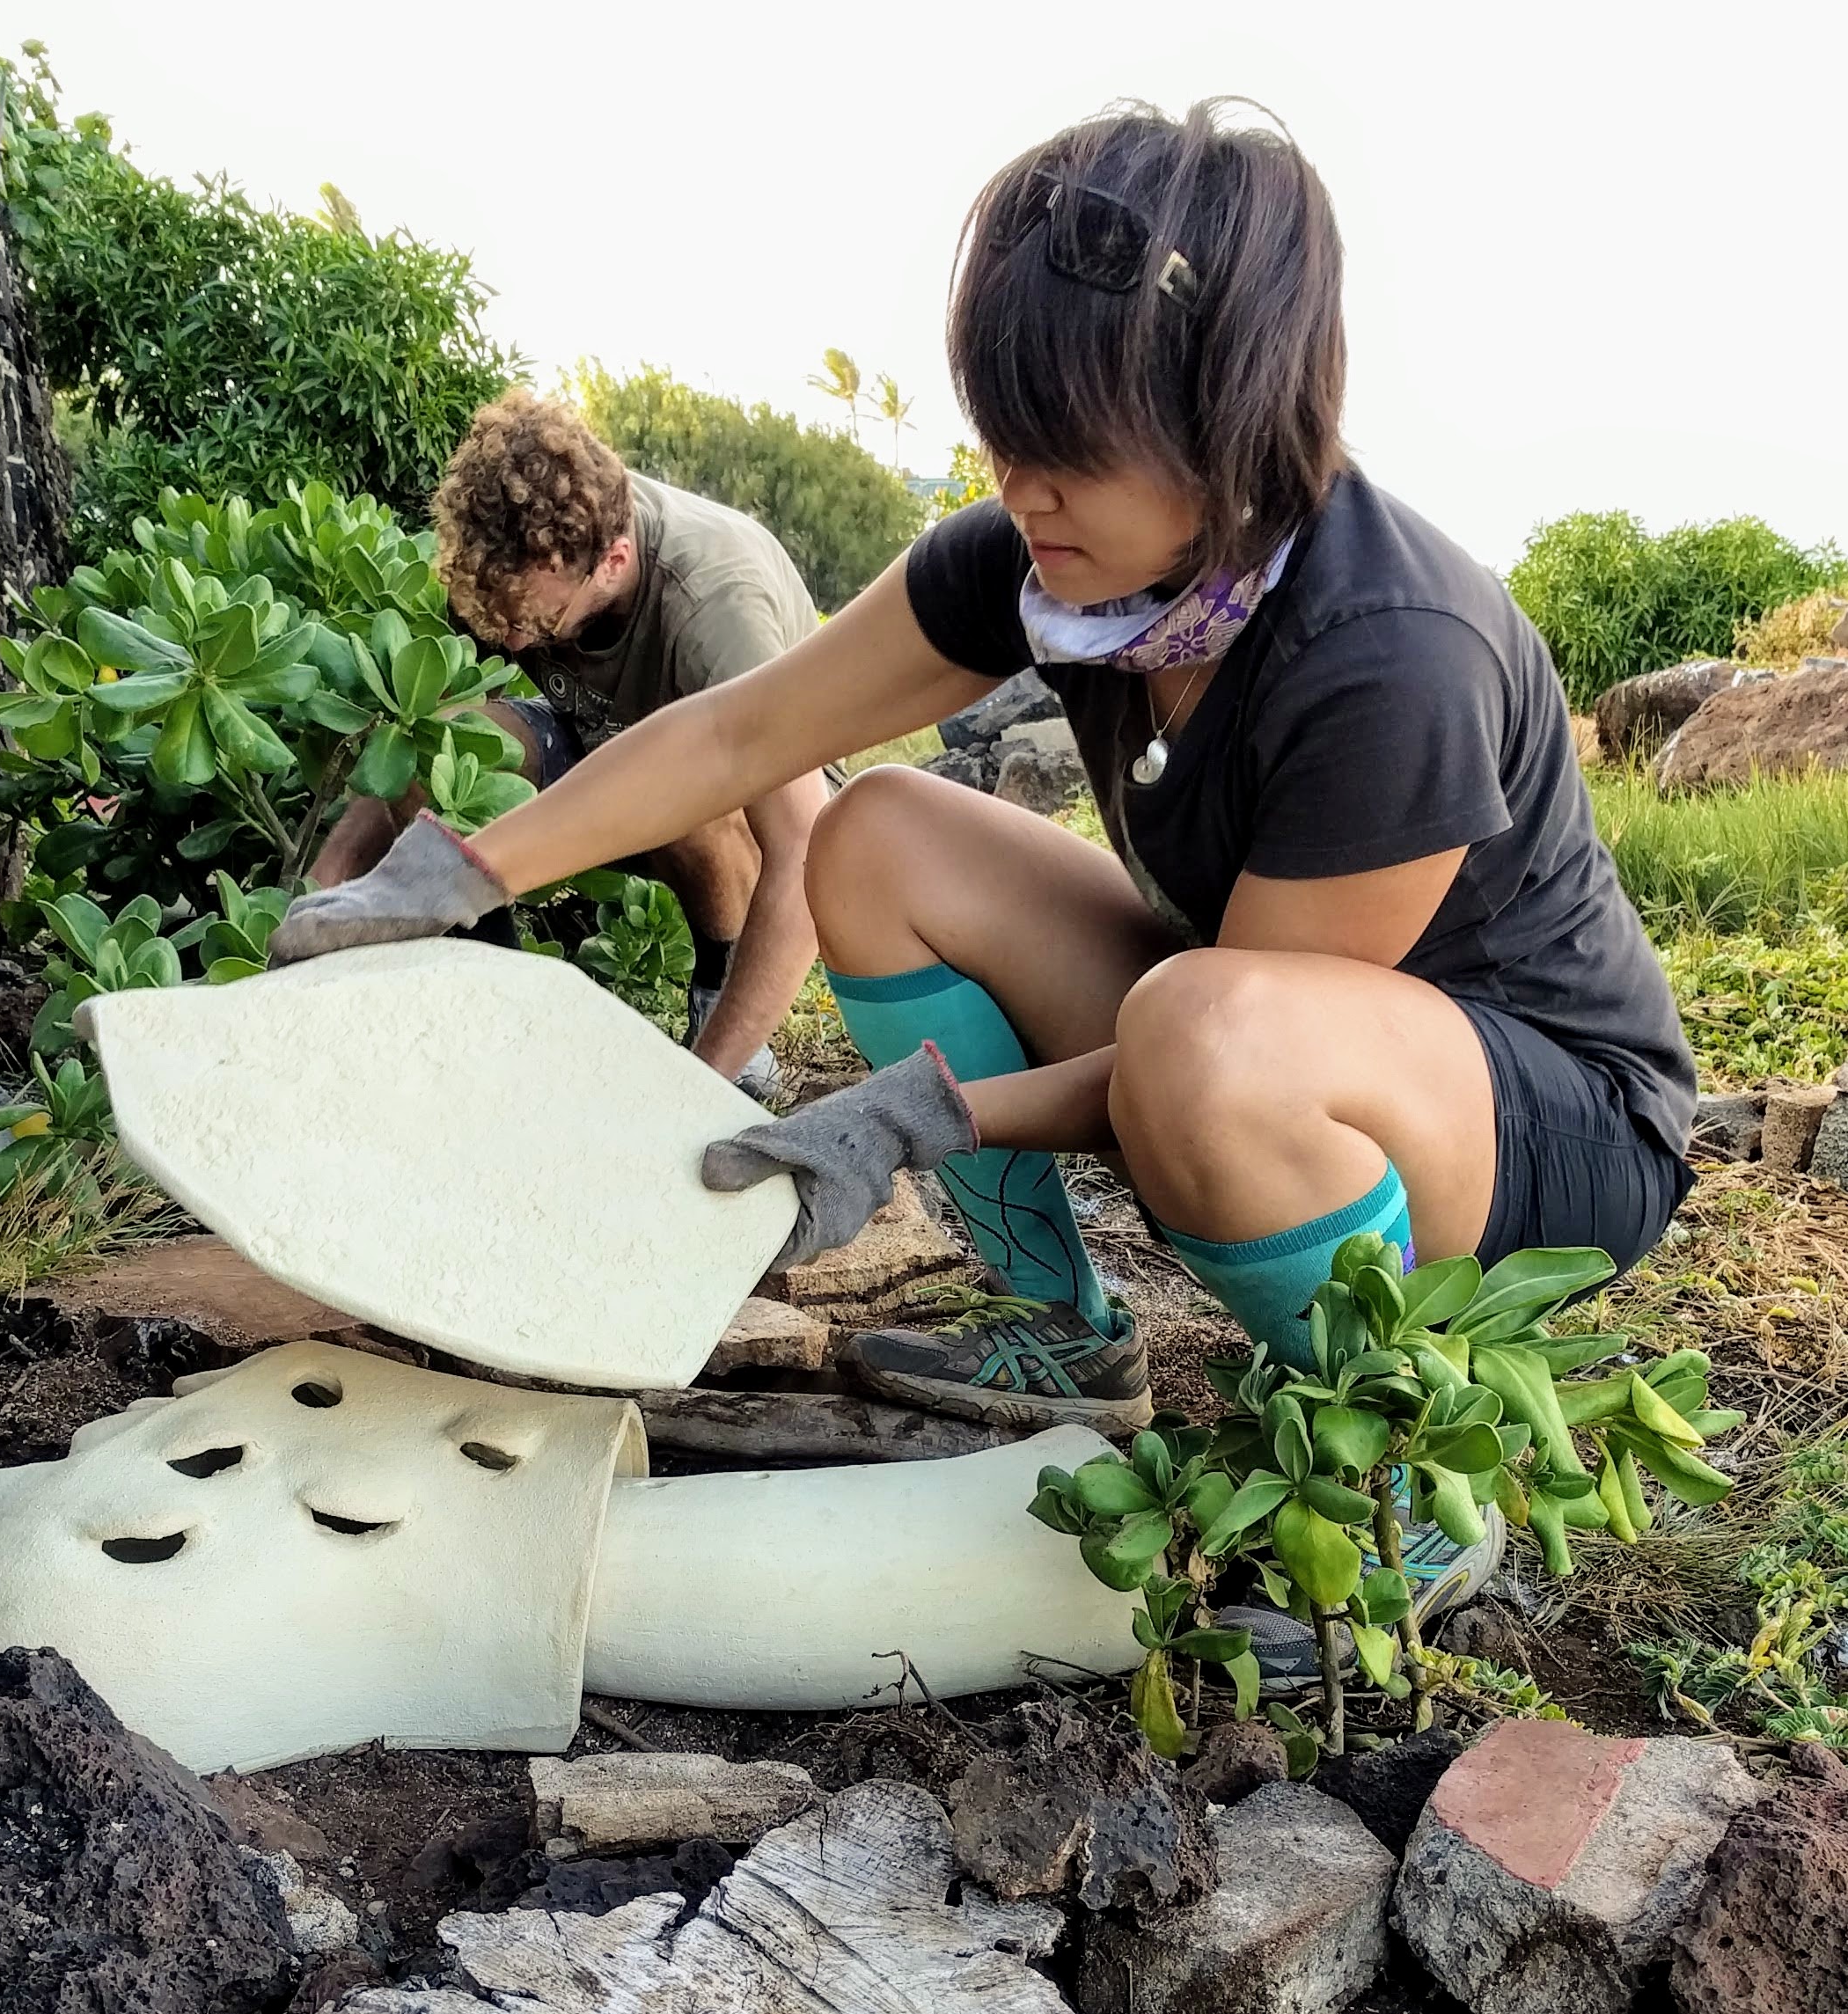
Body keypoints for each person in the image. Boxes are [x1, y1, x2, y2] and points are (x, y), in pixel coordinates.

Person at [269, 101, 1696, 1648]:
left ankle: (1401, 1461)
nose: (1023, 488)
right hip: (1267, 1036)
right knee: (879, 830)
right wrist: (448, 871)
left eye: (1068, 447)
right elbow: (743, 729)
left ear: (1230, 415)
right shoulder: (1048, 569)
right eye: (1004, 437)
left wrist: (915, 1114)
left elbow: (1217, 1042)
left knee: (1203, 1038)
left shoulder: (1390, 652)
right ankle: (1059, 1327)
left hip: (1542, 1122)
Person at [308, 388, 832, 1096]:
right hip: (600, 741)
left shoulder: (716, 610)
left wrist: (700, 1087)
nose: (512, 640)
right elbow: (417, 725)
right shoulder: (511, 564)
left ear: (613, 563)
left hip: (739, 782)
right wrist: (325, 885)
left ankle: (719, 1000)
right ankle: (499, 1005)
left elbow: (803, 847)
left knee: (681, 777)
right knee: (440, 743)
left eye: (531, 622)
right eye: (497, 619)